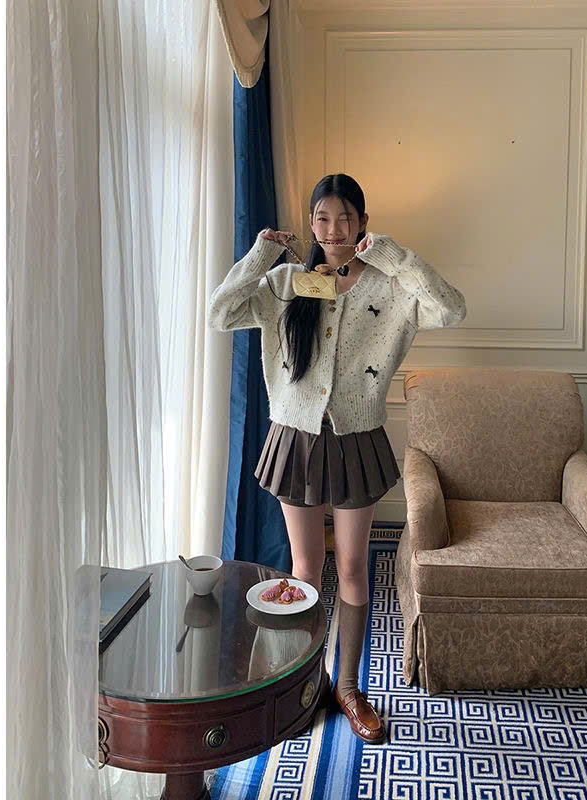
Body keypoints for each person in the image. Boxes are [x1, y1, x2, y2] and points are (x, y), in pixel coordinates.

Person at [208, 173, 466, 743]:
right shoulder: (285, 283)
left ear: (362, 222)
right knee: (304, 569)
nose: (333, 229)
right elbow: (220, 314)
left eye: (345, 217)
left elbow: (450, 309)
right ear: (311, 223)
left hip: (356, 439)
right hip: (295, 437)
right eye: (322, 218)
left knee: (351, 568)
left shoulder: (388, 286)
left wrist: (394, 257)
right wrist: (260, 254)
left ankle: (347, 687)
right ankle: (303, 685)